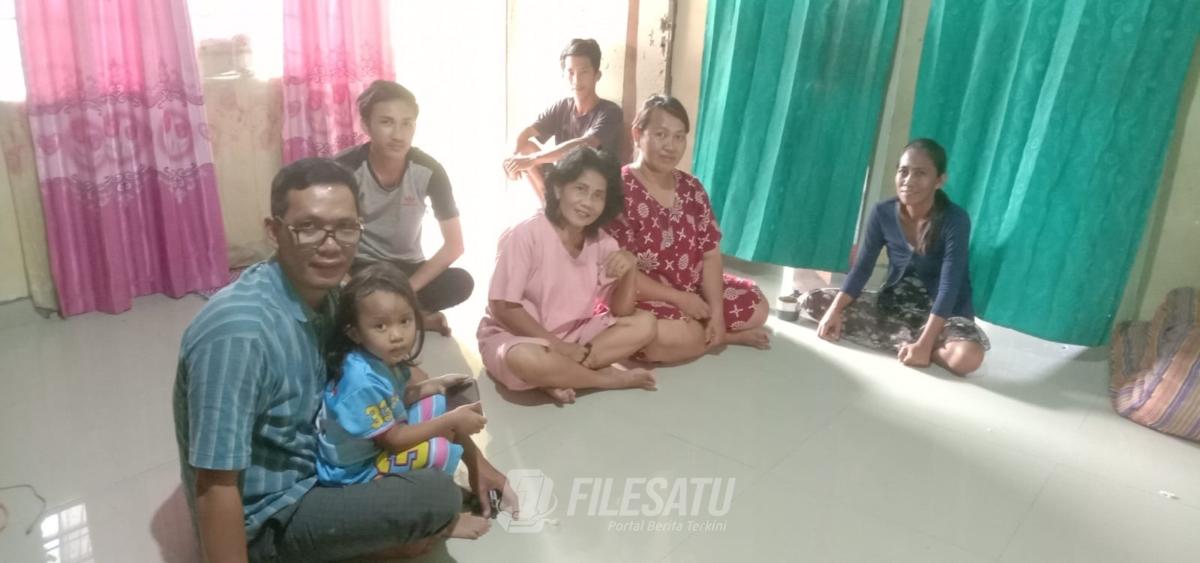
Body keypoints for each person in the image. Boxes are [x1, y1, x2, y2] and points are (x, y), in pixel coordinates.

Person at [173, 158, 513, 562]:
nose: (331, 245)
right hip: (275, 512)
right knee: (436, 497)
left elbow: (397, 366)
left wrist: (476, 459)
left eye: (346, 227)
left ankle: (388, 533)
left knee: (452, 390)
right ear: (274, 231)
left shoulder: (330, 294)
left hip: (323, 455)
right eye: (309, 227)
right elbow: (215, 485)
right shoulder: (239, 335)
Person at [315, 262, 492, 539]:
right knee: (439, 450)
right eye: (380, 325)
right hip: (355, 473)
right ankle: (440, 518)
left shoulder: (380, 357)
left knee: (435, 401)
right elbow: (394, 440)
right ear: (355, 332)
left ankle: (430, 491)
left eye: (405, 321)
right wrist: (452, 421)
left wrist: (436, 384)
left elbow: (399, 396)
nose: (397, 335)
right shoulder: (361, 381)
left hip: (374, 443)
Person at [479, 147, 658, 405]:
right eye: (580, 189)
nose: (588, 203)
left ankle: (557, 376)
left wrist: (631, 267)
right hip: (517, 337)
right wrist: (558, 346)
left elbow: (622, 311)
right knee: (525, 359)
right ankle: (604, 379)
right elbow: (502, 307)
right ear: (557, 189)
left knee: (645, 323)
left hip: (575, 336)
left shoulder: (603, 242)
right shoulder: (525, 234)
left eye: (598, 195)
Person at [798, 138, 989, 376]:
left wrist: (925, 344)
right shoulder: (883, 212)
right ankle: (909, 341)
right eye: (903, 171)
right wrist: (835, 310)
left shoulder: (955, 220)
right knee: (813, 302)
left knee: (967, 358)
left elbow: (949, 286)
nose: (908, 180)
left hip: (945, 313)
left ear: (939, 180)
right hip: (895, 307)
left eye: (920, 173)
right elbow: (862, 269)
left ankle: (919, 344)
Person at [606, 95, 770, 364]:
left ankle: (708, 331)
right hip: (640, 295)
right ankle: (719, 337)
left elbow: (710, 255)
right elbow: (619, 271)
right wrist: (679, 299)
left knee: (758, 307)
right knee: (660, 336)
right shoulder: (618, 190)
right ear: (637, 134)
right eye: (661, 134)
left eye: (679, 137)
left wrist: (716, 312)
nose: (670, 146)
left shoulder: (692, 187)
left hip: (690, 286)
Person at [336, 80, 471, 336]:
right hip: (360, 267)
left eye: (407, 123)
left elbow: (454, 245)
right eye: (386, 122)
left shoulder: (429, 170)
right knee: (322, 289)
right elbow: (327, 238)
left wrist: (406, 289)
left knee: (461, 282)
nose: (398, 135)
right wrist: (353, 288)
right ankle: (410, 317)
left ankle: (378, 316)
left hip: (407, 269)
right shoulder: (345, 169)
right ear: (366, 125)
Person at [502, 38, 624, 201]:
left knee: (531, 157)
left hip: (592, 193)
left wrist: (531, 160)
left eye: (584, 72)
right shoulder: (561, 107)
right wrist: (513, 161)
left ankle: (556, 208)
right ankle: (549, 207)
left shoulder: (610, 111)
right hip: (563, 185)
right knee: (526, 148)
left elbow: (585, 145)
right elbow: (525, 134)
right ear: (563, 74)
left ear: (597, 75)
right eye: (570, 72)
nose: (576, 80)